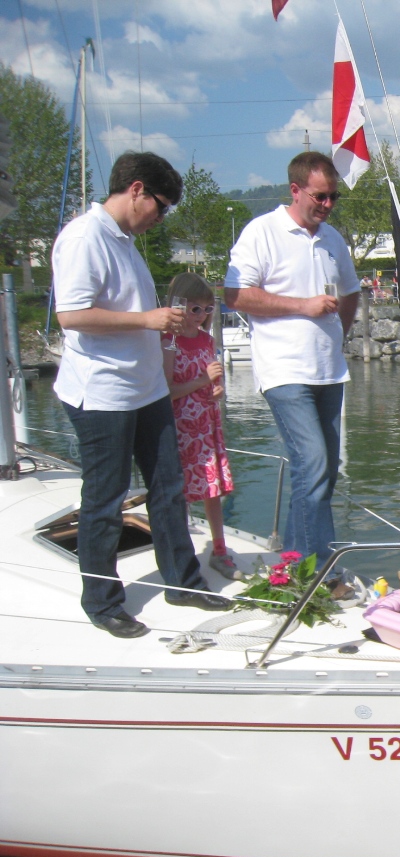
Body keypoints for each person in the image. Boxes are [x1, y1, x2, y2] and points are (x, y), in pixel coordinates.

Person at [53, 151, 227, 639]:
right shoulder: (85, 237)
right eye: (161, 205)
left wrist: (158, 324)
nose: (162, 216)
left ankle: (182, 582)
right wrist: (147, 319)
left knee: (169, 489)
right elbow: (72, 315)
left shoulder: (126, 243)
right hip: (102, 393)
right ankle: (102, 601)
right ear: (136, 190)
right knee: (105, 500)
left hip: (146, 389)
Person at [224, 151, 360, 570]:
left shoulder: (333, 239)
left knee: (324, 471)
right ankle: (317, 569)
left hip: (329, 370)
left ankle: (294, 564)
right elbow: (235, 295)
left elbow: (351, 291)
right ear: (295, 190)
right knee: (312, 463)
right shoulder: (262, 232)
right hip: (284, 370)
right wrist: (303, 306)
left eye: (333, 197)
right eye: (320, 196)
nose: (328, 204)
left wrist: (339, 334)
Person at [160, 273, 242, 582]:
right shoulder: (168, 341)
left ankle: (219, 549)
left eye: (207, 309)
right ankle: (182, 554)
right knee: (179, 492)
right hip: (180, 428)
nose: (201, 315)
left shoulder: (207, 340)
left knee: (213, 489)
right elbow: (167, 391)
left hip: (207, 426)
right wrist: (203, 381)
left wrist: (216, 390)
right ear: (178, 306)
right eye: (195, 308)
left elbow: (211, 384)